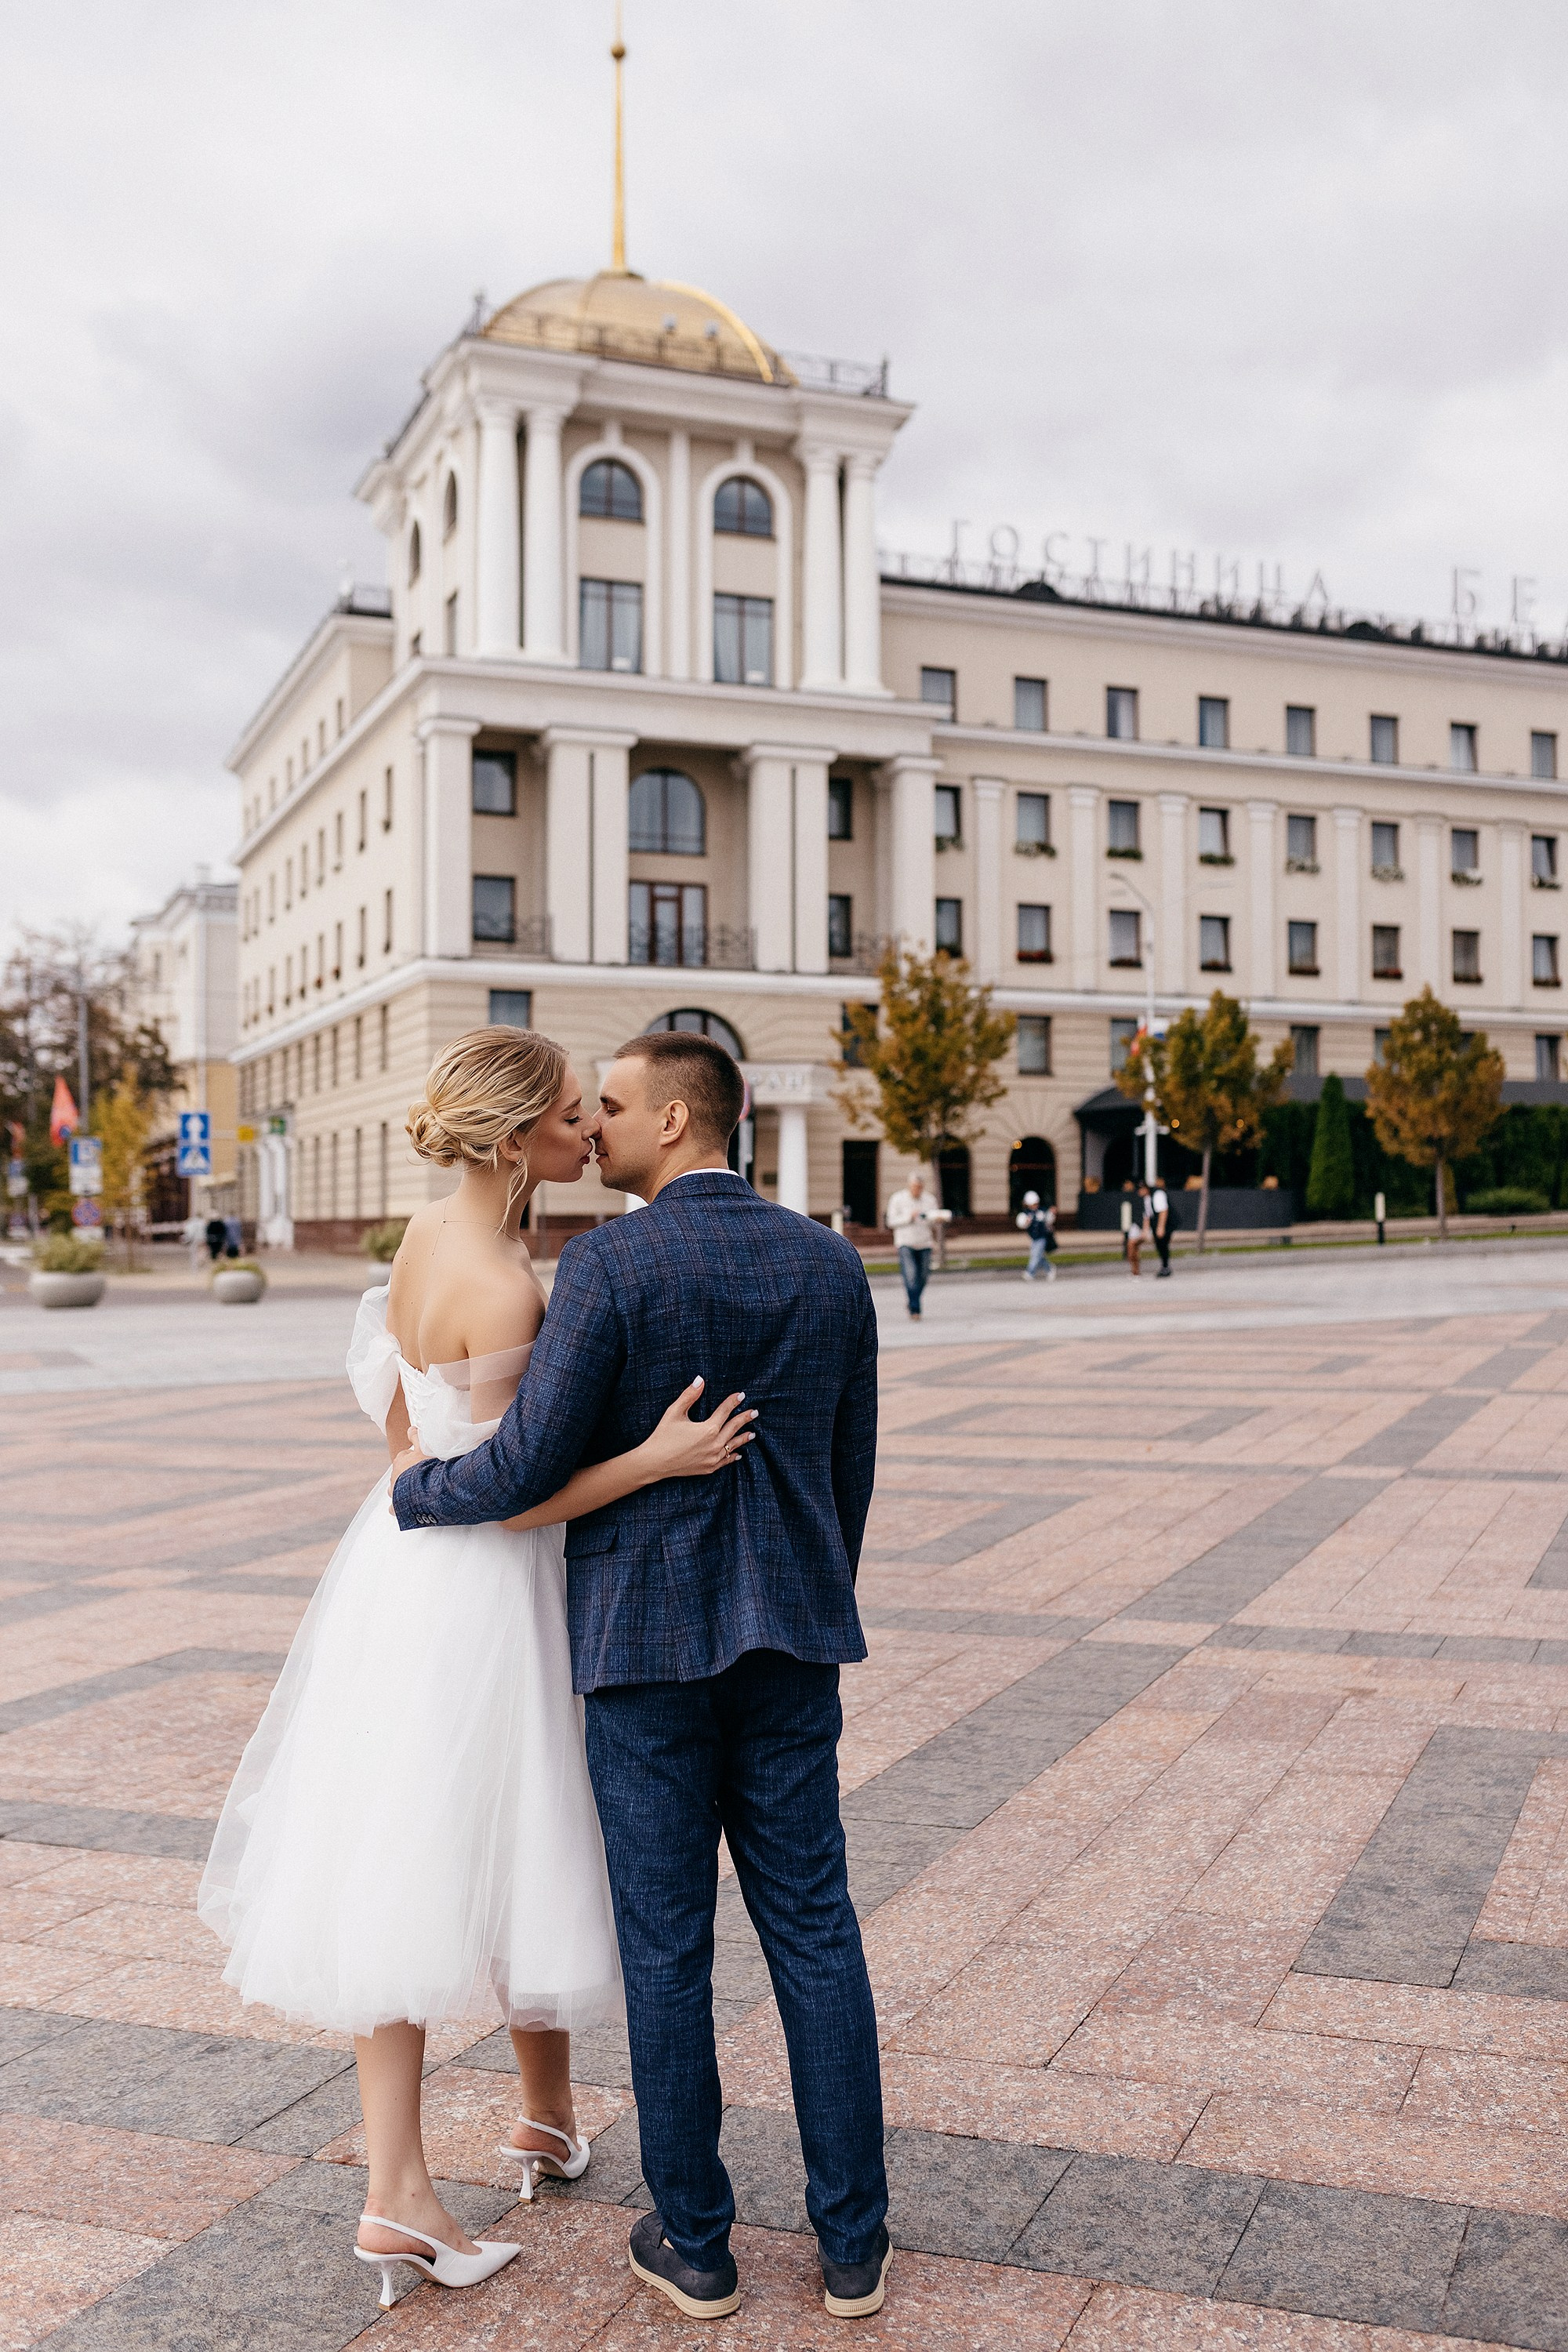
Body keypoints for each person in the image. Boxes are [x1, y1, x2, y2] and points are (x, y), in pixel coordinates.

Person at [198, 1029, 754, 2314]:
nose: (589, 1131)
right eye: (571, 1116)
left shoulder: (418, 1242)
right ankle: (398, 2194)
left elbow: (408, 1445)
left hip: (398, 1573)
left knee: (465, 1844)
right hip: (483, 1587)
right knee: (476, 1846)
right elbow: (516, 1494)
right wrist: (656, 1463)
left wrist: (423, 1492)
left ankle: (541, 2120)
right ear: (518, 1145)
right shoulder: (508, 1284)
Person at [392, 1029, 891, 2325]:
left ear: (675, 1121)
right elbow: (849, 1481)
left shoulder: (607, 1265)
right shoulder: (832, 1264)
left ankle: (698, 2244)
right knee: (817, 1933)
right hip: (791, 1645)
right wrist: (799, 1577)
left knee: (667, 1951)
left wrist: (411, 1491)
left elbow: (518, 1471)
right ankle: (854, 2246)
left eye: (608, 1107)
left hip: (643, 1657)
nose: (592, 1128)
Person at [884, 1170, 950, 1318]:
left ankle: (913, 1299)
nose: (917, 1190)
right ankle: (915, 1308)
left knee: (924, 1275)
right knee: (911, 1275)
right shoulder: (898, 1199)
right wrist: (909, 1217)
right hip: (905, 1242)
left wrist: (938, 1220)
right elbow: (890, 1221)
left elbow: (932, 1220)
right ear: (909, 1186)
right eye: (915, 1187)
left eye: (920, 1187)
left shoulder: (929, 1200)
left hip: (925, 1242)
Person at [1016, 1191, 1056, 1282]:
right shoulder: (1026, 1214)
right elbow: (1021, 1223)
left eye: (1036, 1204)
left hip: (1042, 1237)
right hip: (1034, 1238)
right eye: (1032, 1204)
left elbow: (1049, 1220)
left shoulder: (1042, 1211)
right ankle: (1049, 1269)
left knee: (1035, 1255)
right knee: (1038, 1256)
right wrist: (1026, 1223)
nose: (1035, 1206)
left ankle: (1030, 1273)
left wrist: (1052, 1214)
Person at [1150, 1176, 1172, 1276]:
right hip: (1161, 1225)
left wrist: (1160, 1227)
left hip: (1165, 1225)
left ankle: (1165, 1267)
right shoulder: (1152, 1195)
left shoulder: (1158, 1193)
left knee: (1162, 1245)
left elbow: (1163, 1211)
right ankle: (1165, 1266)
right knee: (1161, 1245)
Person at [1127, 1181, 1149, 1277]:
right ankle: (1135, 1270)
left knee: (1133, 1245)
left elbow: (1147, 1216)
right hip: (1136, 1225)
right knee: (1132, 1248)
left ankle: (1136, 1270)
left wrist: (1145, 1230)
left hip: (1144, 1227)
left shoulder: (1148, 1200)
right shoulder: (1136, 1199)